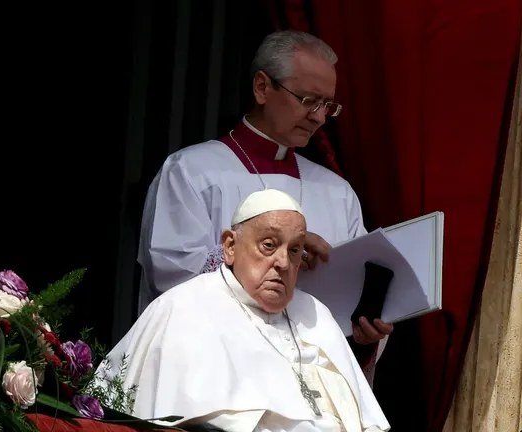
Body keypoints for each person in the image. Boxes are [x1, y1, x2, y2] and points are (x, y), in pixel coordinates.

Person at [136, 31, 392, 354]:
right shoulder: (191, 172)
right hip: (219, 368)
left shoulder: (337, 193)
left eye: (328, 105)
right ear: (262, 88)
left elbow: (352, 302)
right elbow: (174, 281)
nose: (319, 117)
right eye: (309, 101)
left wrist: (366, 332)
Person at [98, 189, 390, 432]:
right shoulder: (184, 307)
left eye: (294, 250)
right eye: (268, 245)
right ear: (230, 246)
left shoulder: (315, 313)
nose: (283, 263)